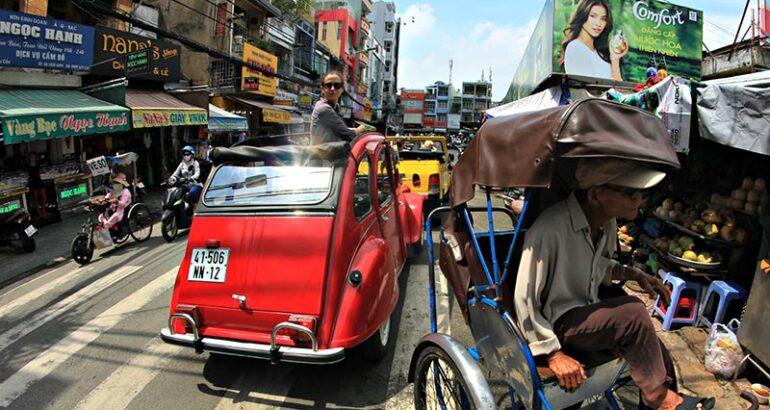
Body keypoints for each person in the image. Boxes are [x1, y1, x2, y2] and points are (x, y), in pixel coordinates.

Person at [514, 158, 715, 410]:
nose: (639, 200)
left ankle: (665, 400)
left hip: (587, 311)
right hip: (559, 322)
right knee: (634, 313)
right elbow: (525, 298)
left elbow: (594, 266)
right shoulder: (550, 228)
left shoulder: (606, 223)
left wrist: (632, 273)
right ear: (597, 194)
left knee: (657, 353)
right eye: (631, 193)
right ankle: (657, 397)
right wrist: (553, 354)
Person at [558, 0, 627, 81]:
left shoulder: (600, 52)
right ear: (583, 15)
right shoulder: (575, 47)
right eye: (593, 16)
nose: (598, 23)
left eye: (603, 19)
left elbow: (618, 89)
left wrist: (615, 59)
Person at [310, 70, 367, 145]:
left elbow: (342, 130)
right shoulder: (324, 108)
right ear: (322, 89)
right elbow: (348, 134)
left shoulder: (335, 107)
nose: (332, 89)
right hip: (322, 156)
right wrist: (361, 128)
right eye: (329, 85)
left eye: (337, 85)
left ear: (342, 89)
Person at [25, 152, 47, 219]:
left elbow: (40, 171)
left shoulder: (38, 164)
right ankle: (39, 213)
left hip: (39, 181)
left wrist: (43, 172)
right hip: (33, 182)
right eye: (31, 157)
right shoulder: (27, 165)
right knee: (36, 199)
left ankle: (43, 211)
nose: (32, 158)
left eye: (33, 156)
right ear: (29, 158)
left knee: (43, 197)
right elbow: (26, 174)